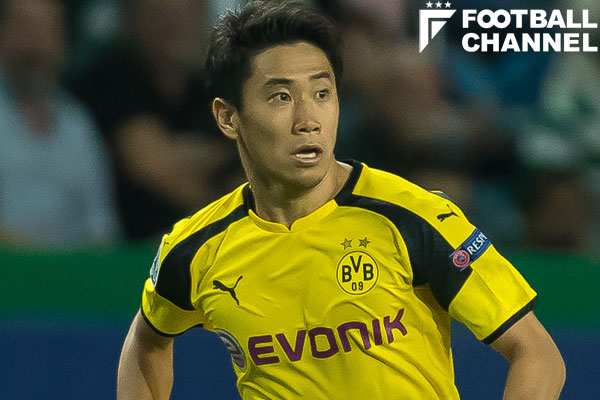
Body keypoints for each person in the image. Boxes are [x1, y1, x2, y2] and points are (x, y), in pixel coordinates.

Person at [117, 1, 566, 399]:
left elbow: (537, 354)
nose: (308, 119)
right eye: (281, 97)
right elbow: (146, 342)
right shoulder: (195, 249)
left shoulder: (413, 218)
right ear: (228, 117)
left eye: (321, 93)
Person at [69, 0, 243, 240]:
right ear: (132, 18)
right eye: (160, 15)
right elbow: (154, 168)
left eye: (185, 13)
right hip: (125, 248)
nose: (174, 25)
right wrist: (233, 198)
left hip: (205, 244)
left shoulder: (212, 86)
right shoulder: (111, 74)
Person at [0, 0, 120, 248]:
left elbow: (101, 227)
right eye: (24, 28)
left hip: (73, 269)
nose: (35, 44)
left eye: (46, 31)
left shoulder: (79, 126)